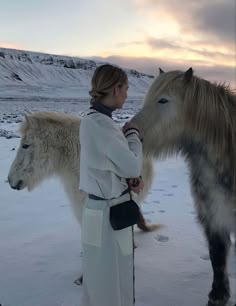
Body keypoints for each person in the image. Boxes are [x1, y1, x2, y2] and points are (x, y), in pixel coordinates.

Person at [79, 64, 144, 306]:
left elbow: (105, 165)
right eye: (125, 88)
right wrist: (133, 135)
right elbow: (133, 165)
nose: (127, 94)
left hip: (98, 210)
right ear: (115, 89)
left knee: (100, 279)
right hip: (109, 216)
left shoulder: (91, 121)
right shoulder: (103, 127)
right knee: (111, 282)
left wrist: (127, 179)